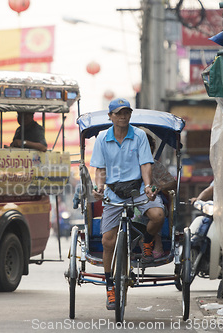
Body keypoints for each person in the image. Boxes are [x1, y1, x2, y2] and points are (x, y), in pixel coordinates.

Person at [91, 98, 166, 311]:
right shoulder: (102, 139)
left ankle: (147, 243)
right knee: (107, 241)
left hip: (139, 190)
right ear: (111, 117)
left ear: (130, 115)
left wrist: (149, 186)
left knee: (158, 215)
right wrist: (99, 187)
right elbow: (99, 169)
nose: (123, 116)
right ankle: (110, 286)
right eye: (119, 113)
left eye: (126, 113)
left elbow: (145, 164)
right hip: (114, 193)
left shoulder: (140, 136)